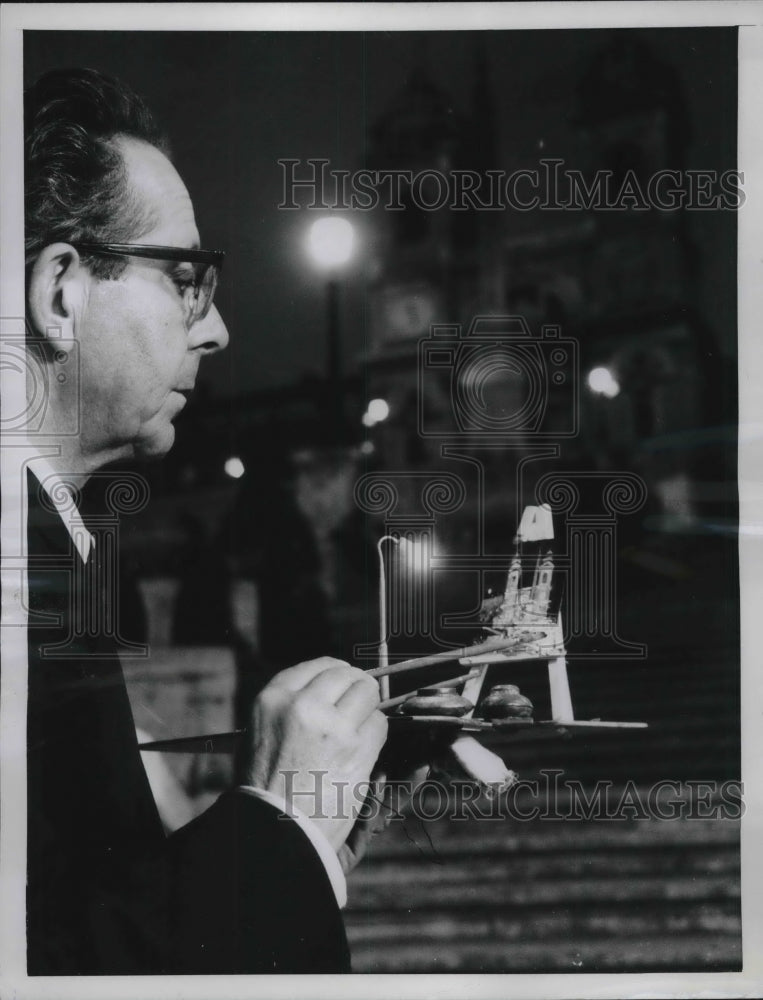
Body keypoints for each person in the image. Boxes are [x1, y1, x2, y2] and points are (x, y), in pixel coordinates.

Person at [21, 67, 387, 974]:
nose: (216, 327)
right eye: (185, 278)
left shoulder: (55, 551)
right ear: (61, 290)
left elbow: (78, 913)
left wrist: (307, 845)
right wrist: (279, 817)